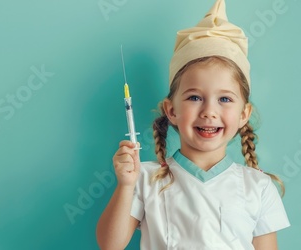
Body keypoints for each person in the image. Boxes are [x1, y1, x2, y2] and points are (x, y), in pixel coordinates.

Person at [97, 0, 290, 249]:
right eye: (195, 97)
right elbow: (109, 245)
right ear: (171, 110)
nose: (209, 111)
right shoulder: (144, 178)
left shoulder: (259, 187)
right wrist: (125, 185)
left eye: (224, 99)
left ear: (244, 114)